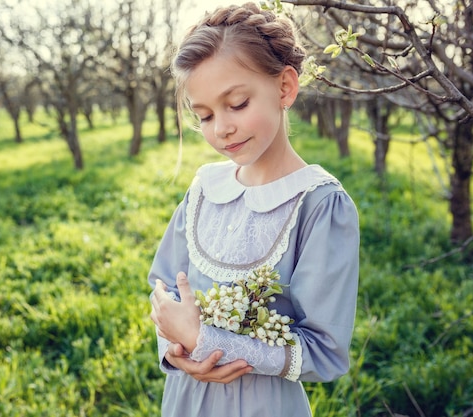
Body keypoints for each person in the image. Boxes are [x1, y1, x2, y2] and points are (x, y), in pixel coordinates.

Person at [148, 2, 360, 416]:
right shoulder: (205, 189)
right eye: (204, 115)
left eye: (238, 104)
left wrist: (210, 344)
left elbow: (324, 349)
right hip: (186, 400)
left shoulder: (319, 205)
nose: (221, 128)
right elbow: (163, 288)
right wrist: (177, 349)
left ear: (284, 88)